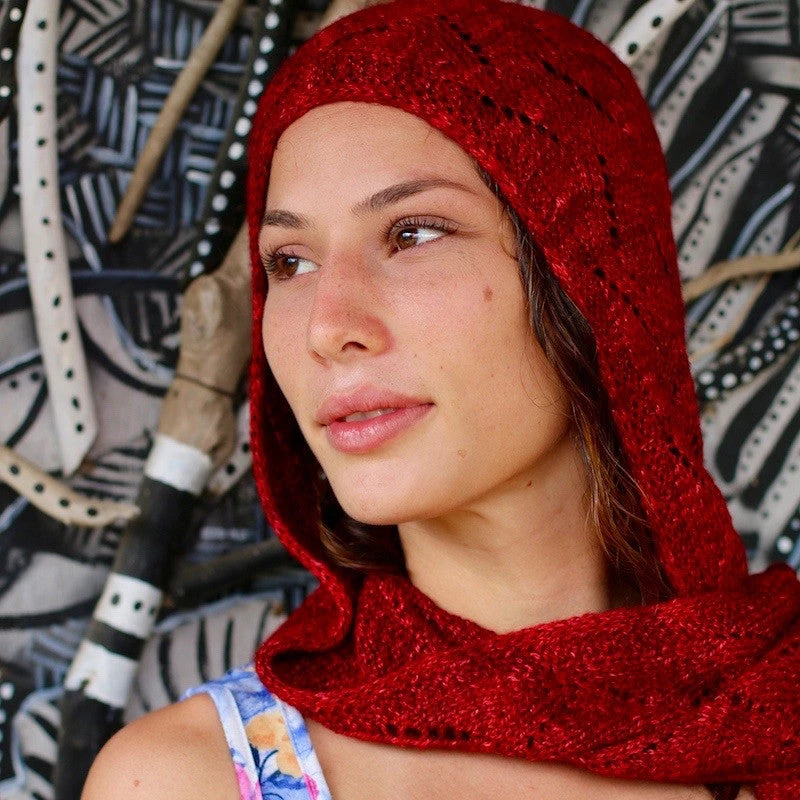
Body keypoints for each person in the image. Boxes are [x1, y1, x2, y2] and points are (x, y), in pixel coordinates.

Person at [82, 1, 800, 798]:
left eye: (412, 233)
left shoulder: (777, 715)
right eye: (289, 263)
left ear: (587, 273)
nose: (327, 327)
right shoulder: (188, 781)